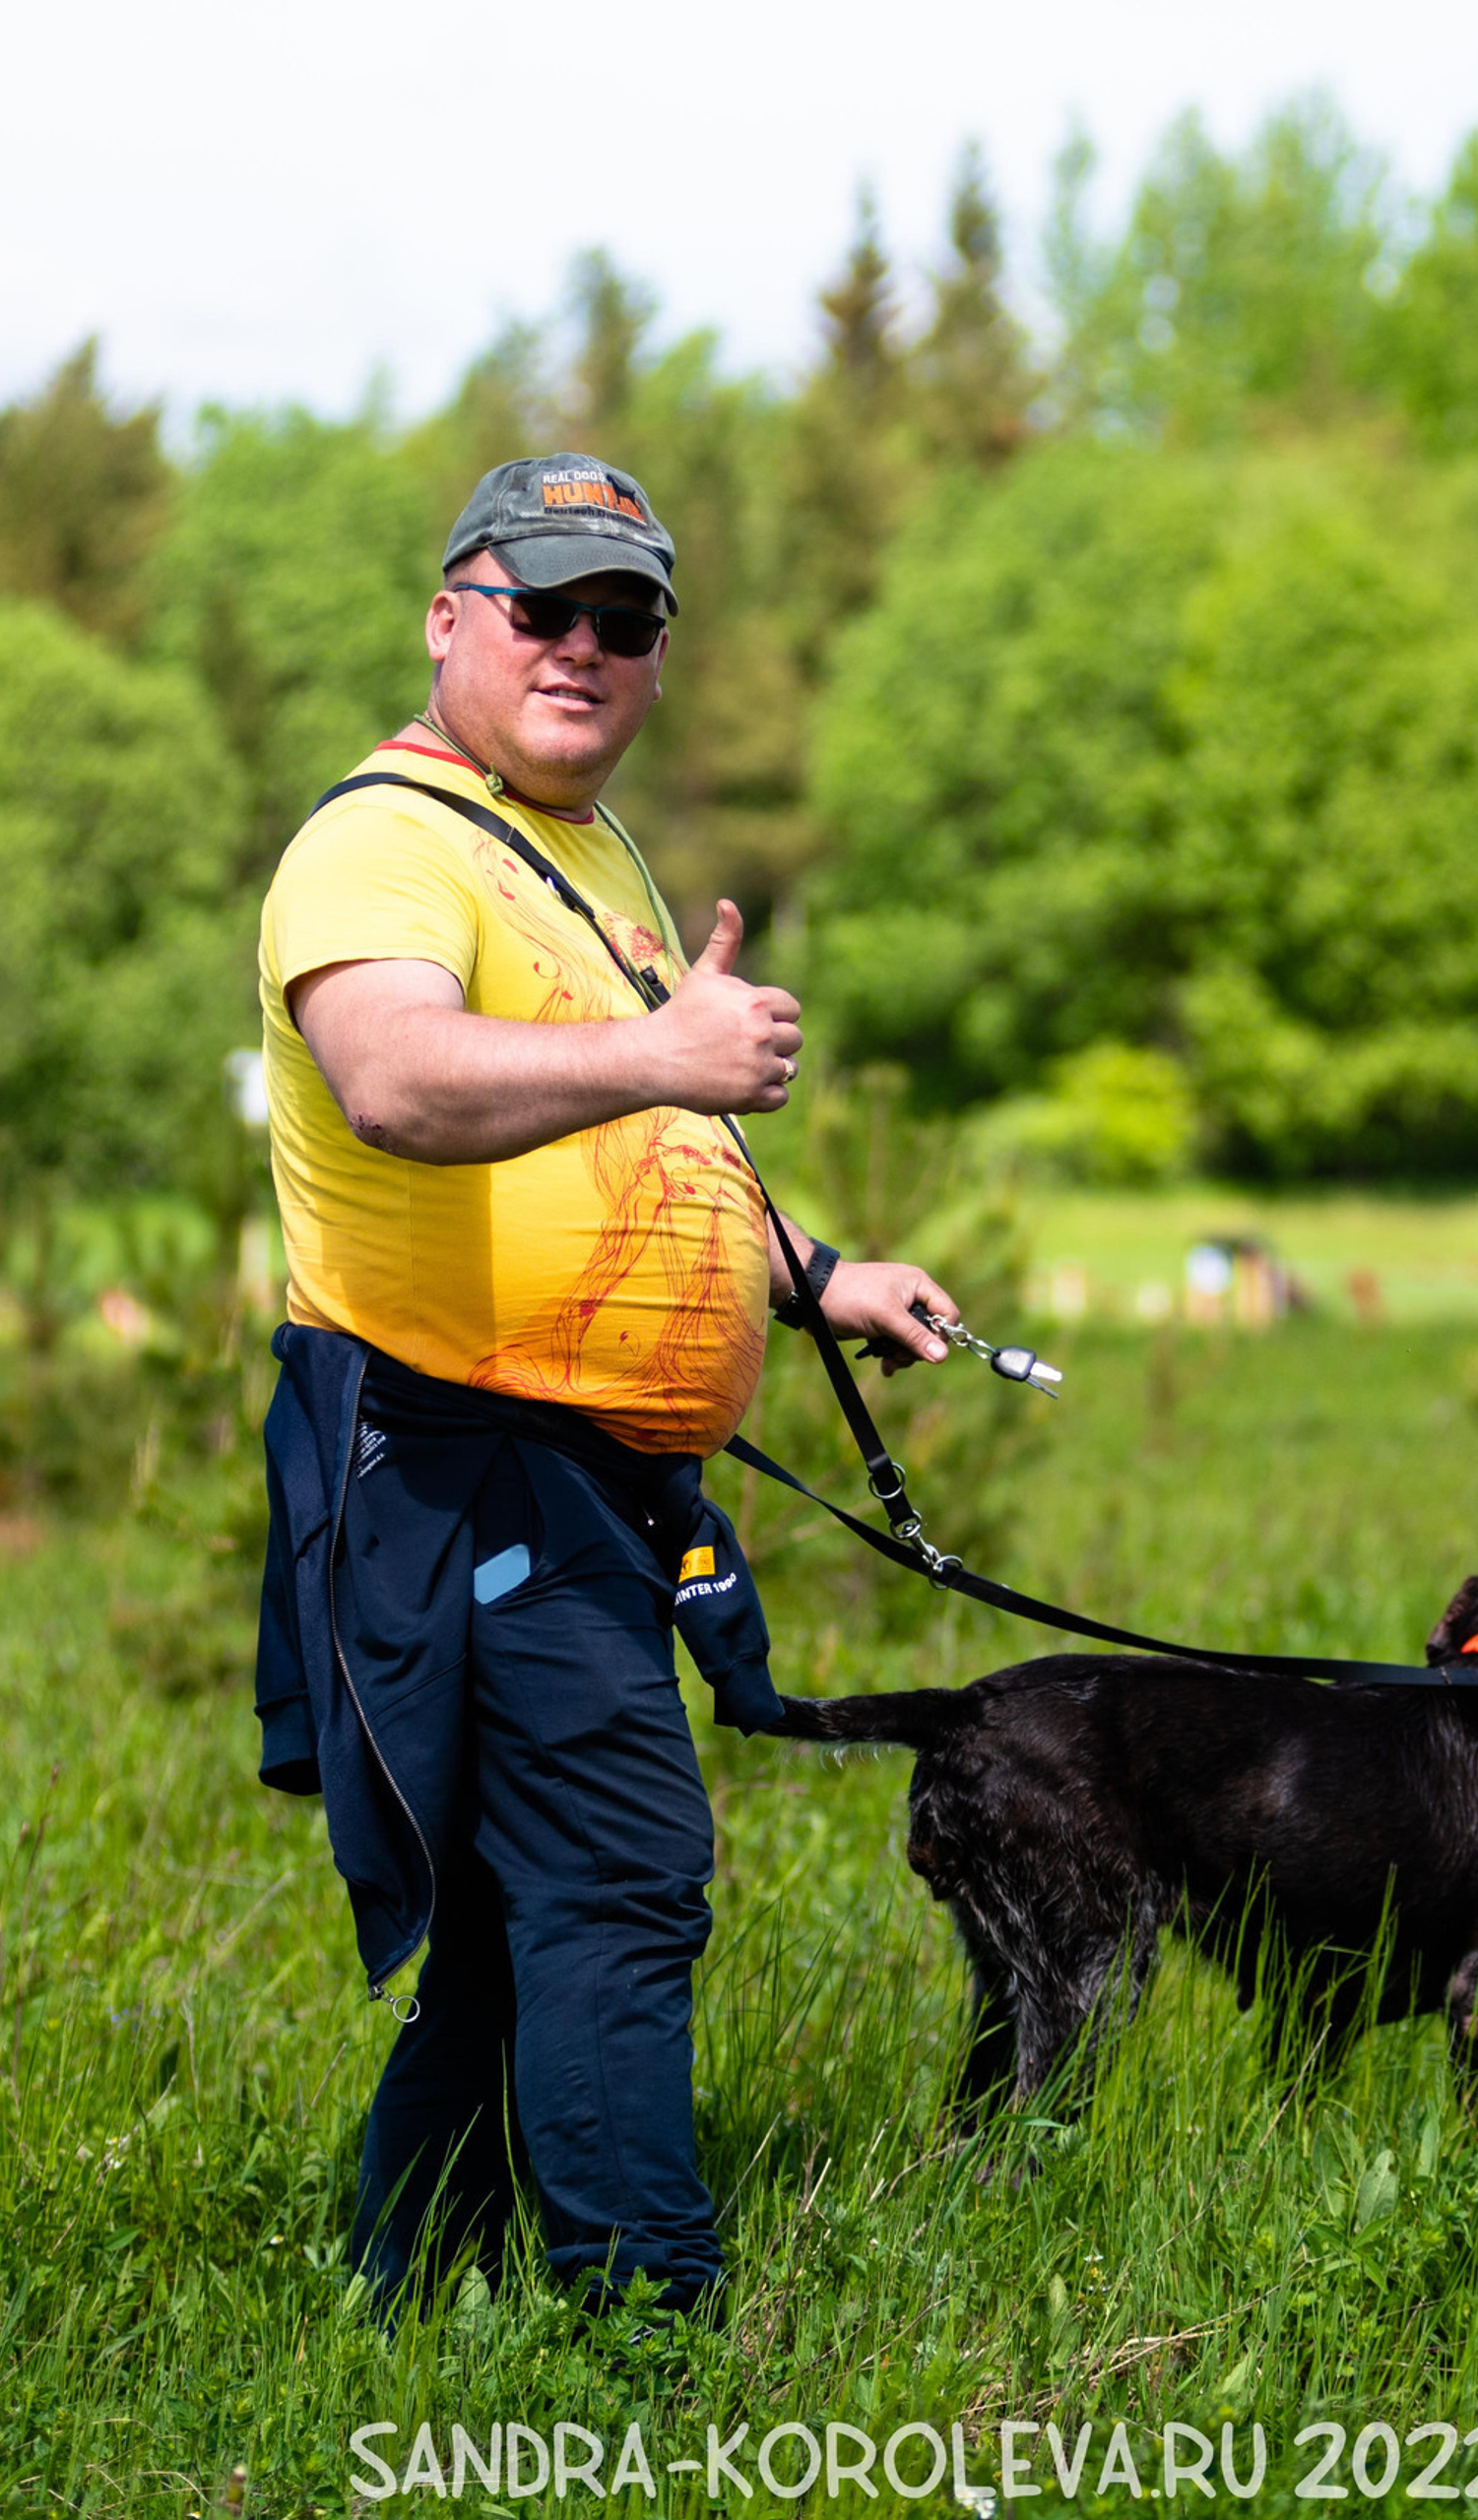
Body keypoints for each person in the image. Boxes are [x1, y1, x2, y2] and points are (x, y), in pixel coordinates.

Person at [247, 453, 958, 2323]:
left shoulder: (587, 850)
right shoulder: (381, 845)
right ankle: (647, 2330)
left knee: (512, 1922)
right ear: (447, 620)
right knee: (622, 1878)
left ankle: (409, 2293)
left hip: (585, 1479)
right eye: (542, 605)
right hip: (454, 1457)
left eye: (624, 618)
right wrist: (667, 1048)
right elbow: (397, 1079)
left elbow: (629, 1140)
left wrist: (815, 1278)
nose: (583, 646)